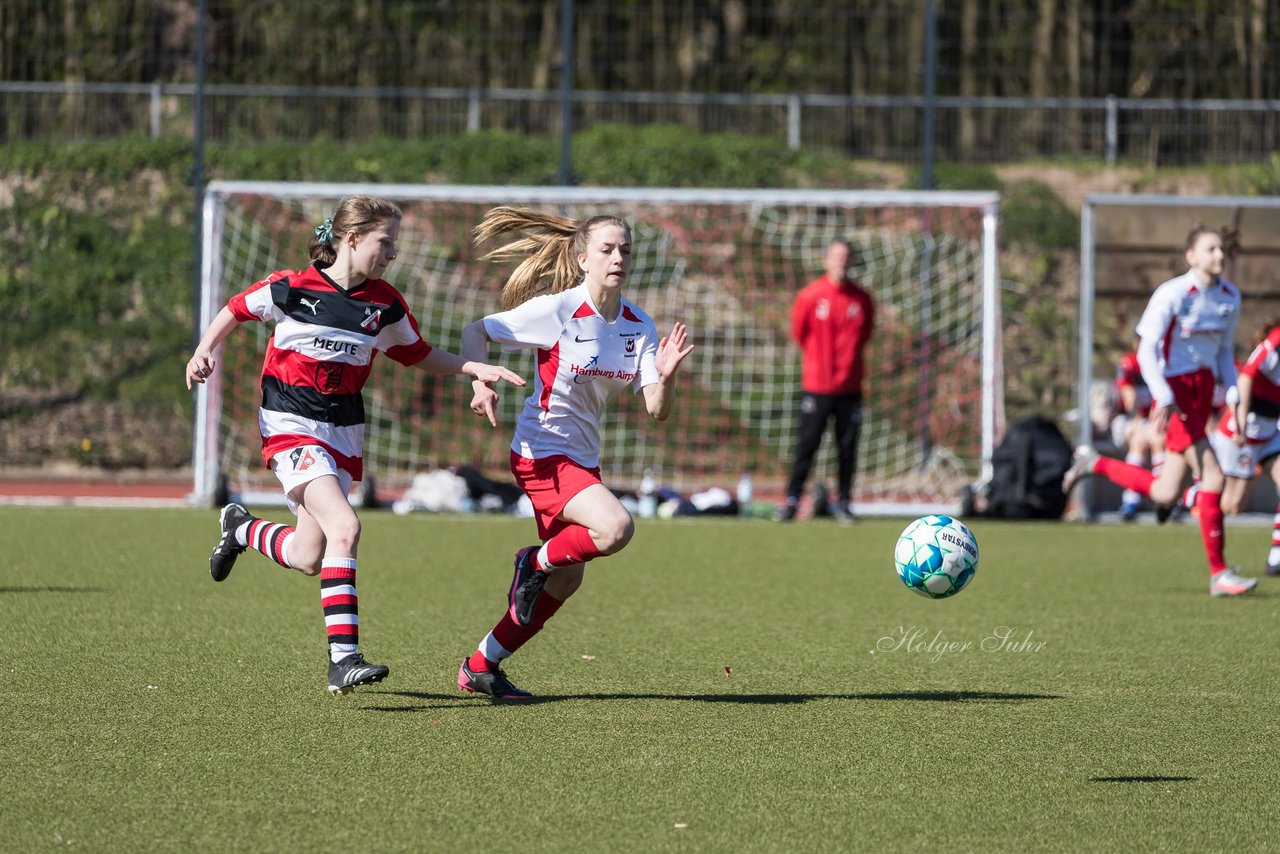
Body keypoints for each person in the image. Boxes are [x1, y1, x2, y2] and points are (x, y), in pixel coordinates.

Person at [185, 195, 525, 695]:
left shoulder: (384, 303)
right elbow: (235, 310)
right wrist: (202, 351)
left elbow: (417, 354)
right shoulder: (291, 288)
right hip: (289, 424)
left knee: (307, 554)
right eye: (385, 243)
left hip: (343, 430)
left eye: (394, 245)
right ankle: (343, 659)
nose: (392, 254)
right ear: (351, 239)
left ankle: (240, 530)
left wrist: (472, 368)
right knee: (346, 525)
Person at [455, 206, 695, 700]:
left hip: (580, 460)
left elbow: (656, 410)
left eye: (625, 250)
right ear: (583, 259)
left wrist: (666, 379)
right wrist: (479, 379)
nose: (618, 258)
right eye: (607, 249)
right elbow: (476, 329)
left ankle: (480, 665)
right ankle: (533, 561)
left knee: (566, 585)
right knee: (615, 528)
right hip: (540, 451)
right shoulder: (558, 310)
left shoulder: (639, 326)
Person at [1063, 226, 1256, 597]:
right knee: (1213, 478)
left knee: (1166, 492)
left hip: (1201, 395)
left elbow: (1223, 353)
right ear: (1191, 256)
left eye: (1221, 249)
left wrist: (1232, 393)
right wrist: (1164, 395)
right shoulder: (1172, 294)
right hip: (1177, 396)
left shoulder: (1230, 297)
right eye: (1210, 248)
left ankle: (1094, 464)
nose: (1219, 255)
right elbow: (1146, 350)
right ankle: (1219, 574)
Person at [777, 238, 875, 523]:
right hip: (817, 386)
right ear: (826, 260)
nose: (841, 261)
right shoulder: (810, 296)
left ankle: (844, 503)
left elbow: (866, 333)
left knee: (847, 448)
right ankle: (792, 501)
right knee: (807, 445)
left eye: (846, 256)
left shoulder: (862, 299)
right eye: (836, 256)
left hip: (850, 387)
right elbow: (799, 333)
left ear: (852, 261)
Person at [1190, 320, 1280, 576]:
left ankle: (1276, 559)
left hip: (1271, 432)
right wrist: (1240, 418)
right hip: (1243, 432)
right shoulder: (1277, 340)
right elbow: (1247, 376)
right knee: (1232, 506)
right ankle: (1189, 496)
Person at [1111, 341, 1165, 521]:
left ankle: (1164, 499)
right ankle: (1130, 500)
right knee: (1139, 439)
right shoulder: (1129, 362)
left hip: (1152, 423)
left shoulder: (1162, 363)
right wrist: (1141, 422)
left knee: (1158, 440)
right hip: (1127, 421)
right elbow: (1129, 399)